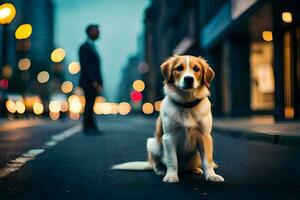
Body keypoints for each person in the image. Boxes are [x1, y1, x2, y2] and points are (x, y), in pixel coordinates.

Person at [79, 24, 103, 134]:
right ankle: (87, 127)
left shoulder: (93, 46)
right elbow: (86, 66)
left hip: (93, 82)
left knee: (91, 104)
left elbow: (97, 67)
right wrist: (93, 81)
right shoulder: (84, 47)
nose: (98, 32)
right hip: (88, 82)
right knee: (89, 104)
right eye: (96, 31)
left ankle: (91, 127)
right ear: (90, 32)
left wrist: (100, 82)